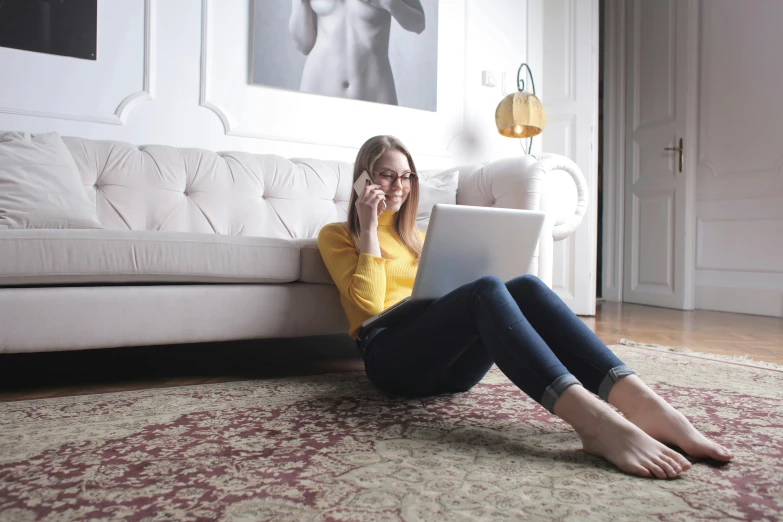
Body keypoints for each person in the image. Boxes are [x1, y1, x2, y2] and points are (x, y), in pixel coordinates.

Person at [317, 135, 734, 479]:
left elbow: (451, 300)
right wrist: (369, 227)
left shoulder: (421, 238)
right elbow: (368, 304)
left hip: (452, 372)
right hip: (391, 361)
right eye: (387, 175)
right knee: (483, 289)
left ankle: (642, 403)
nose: (398, 186)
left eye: (406, 176)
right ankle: (593, 421)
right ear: (364, 179)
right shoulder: (336, 235)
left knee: (525, 287)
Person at [289, 0, 425, 105]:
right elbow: (303, 45)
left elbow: (419, 23)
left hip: (374, 90)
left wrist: (387, 2)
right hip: (318, 86)